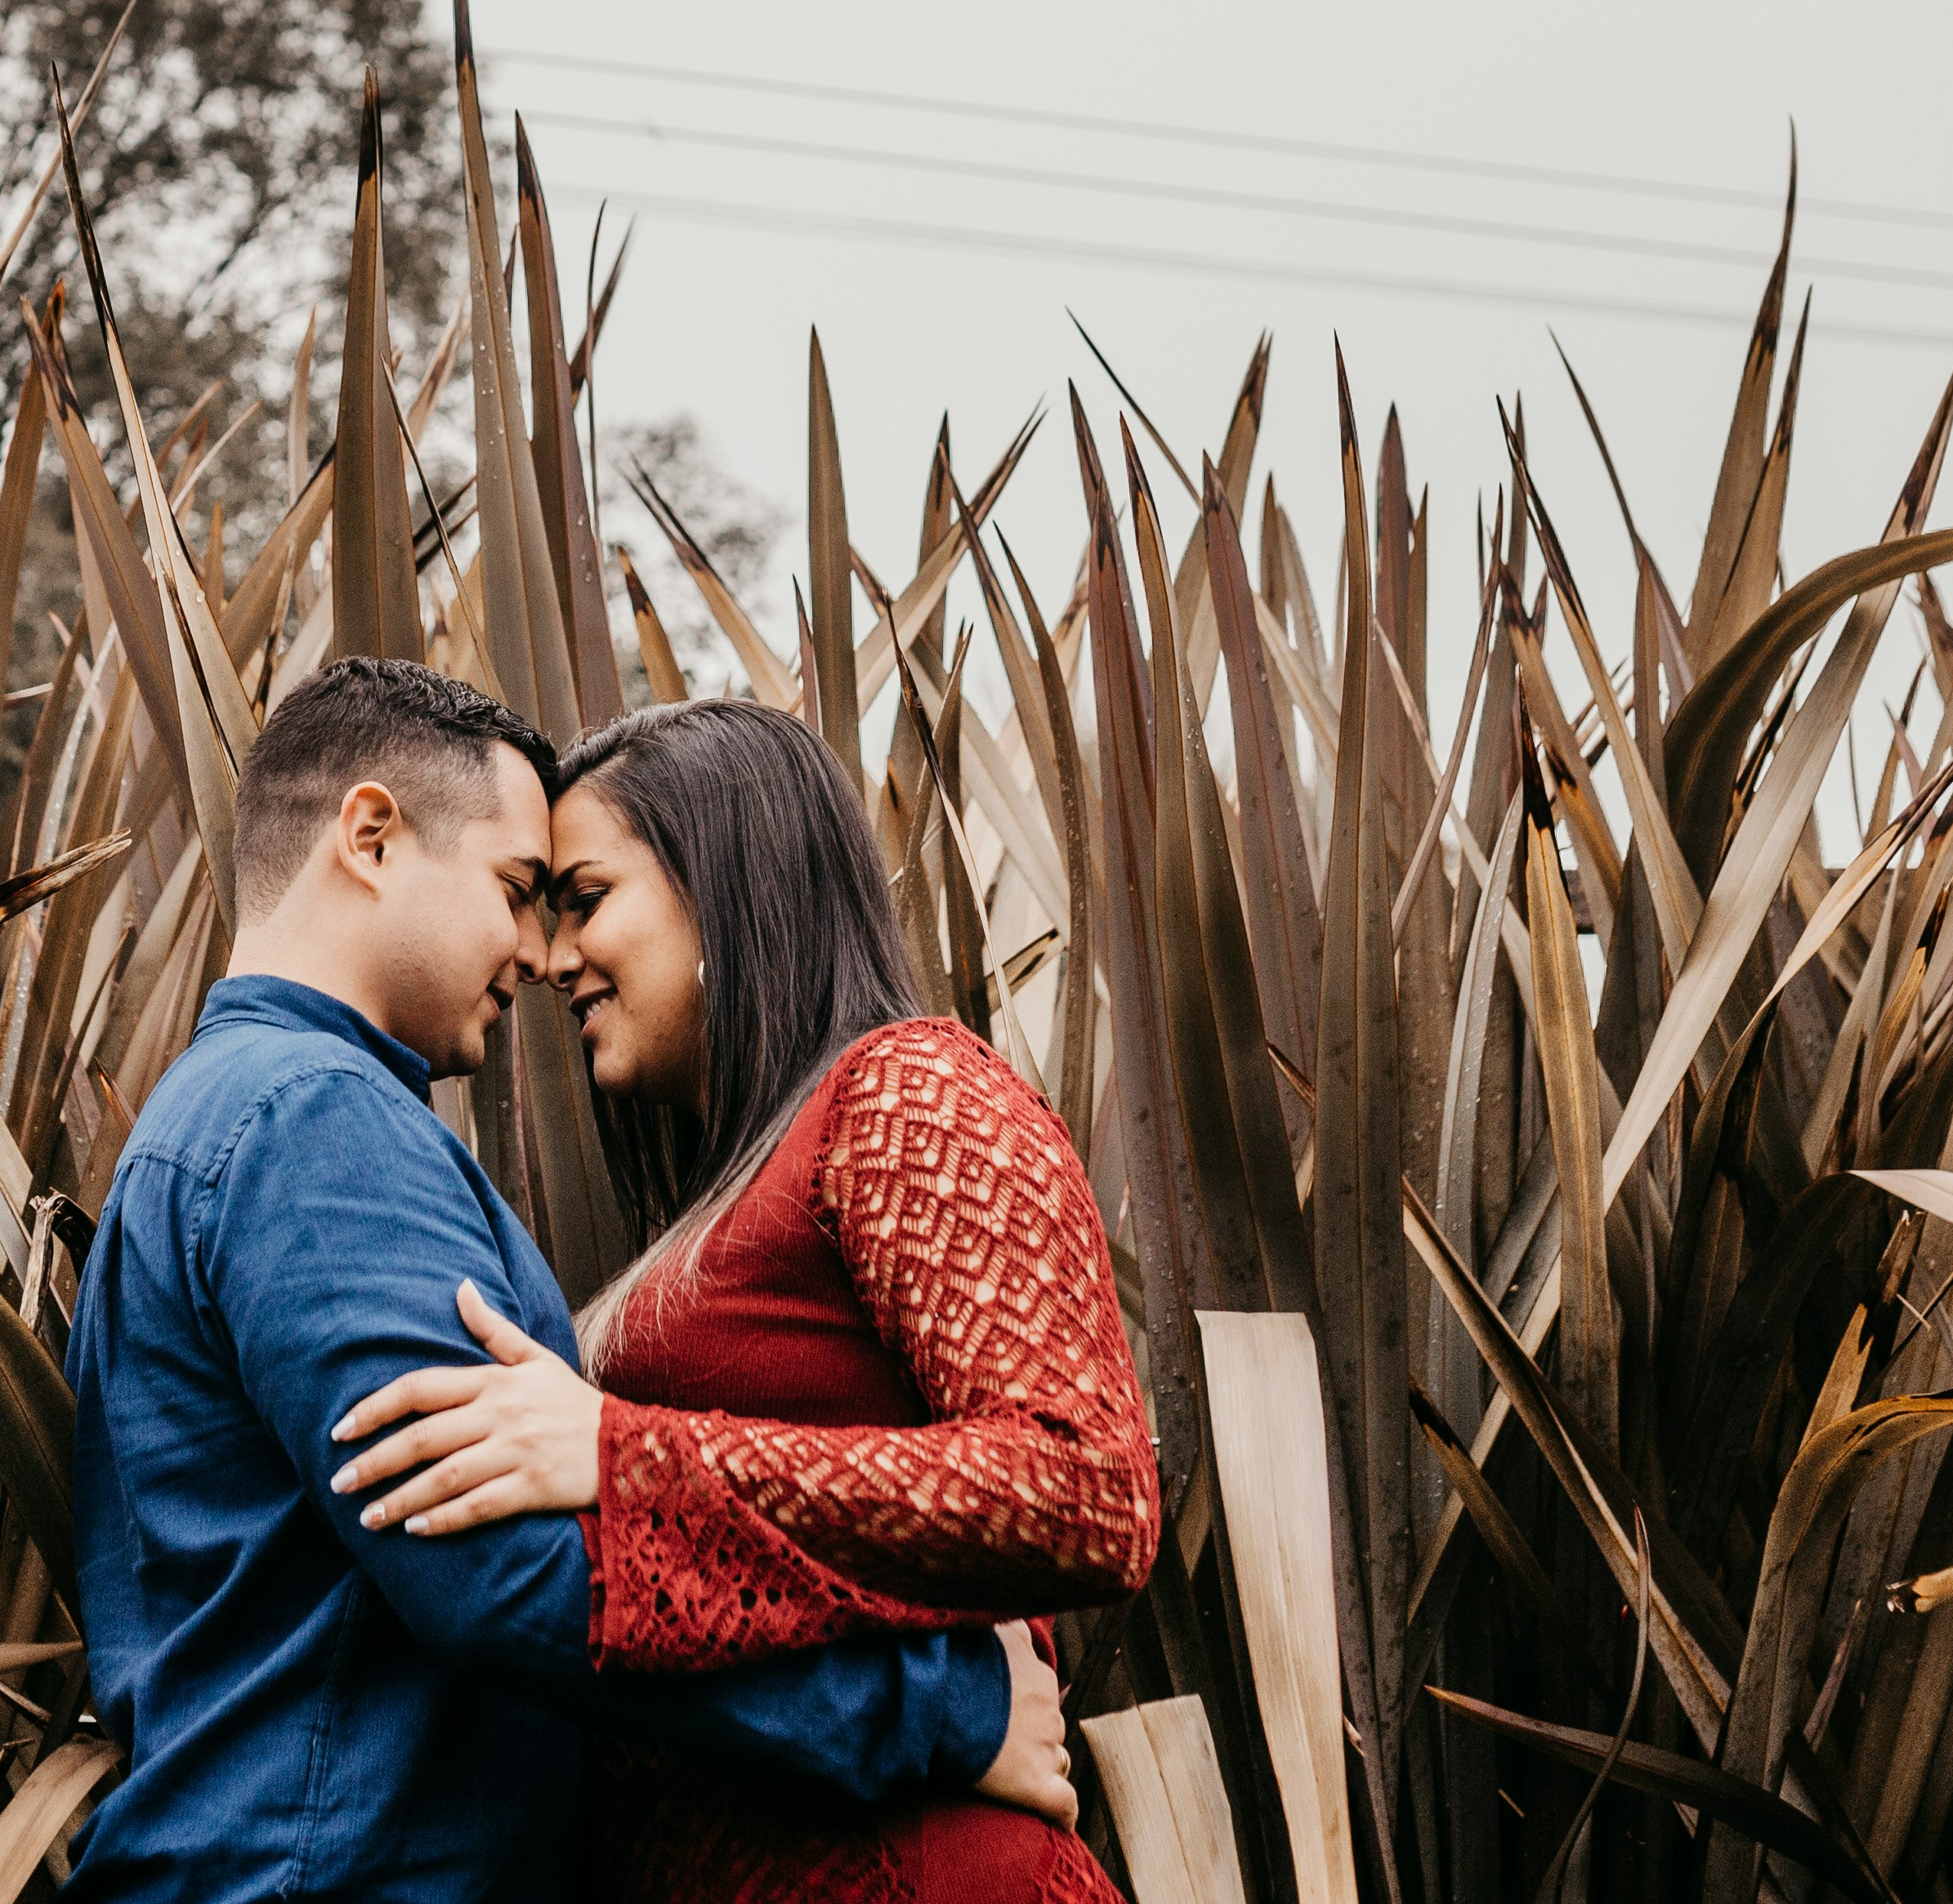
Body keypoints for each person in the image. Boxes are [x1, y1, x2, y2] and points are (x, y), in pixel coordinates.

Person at [62, 659, 1074, 1903]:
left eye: (573, 898)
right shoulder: (315, 1120)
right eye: (523, 890)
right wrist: (951, 1710)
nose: (540, 952)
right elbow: (504, 1566)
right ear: (371, 838)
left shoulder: (207, 1123)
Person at [327, 698, 1158, 1904]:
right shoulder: (735, 1184)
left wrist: (625, 1456)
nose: (551, 957)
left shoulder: (911, 1094)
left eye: (586, 898)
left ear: (724, 884)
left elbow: (1088, 1489)